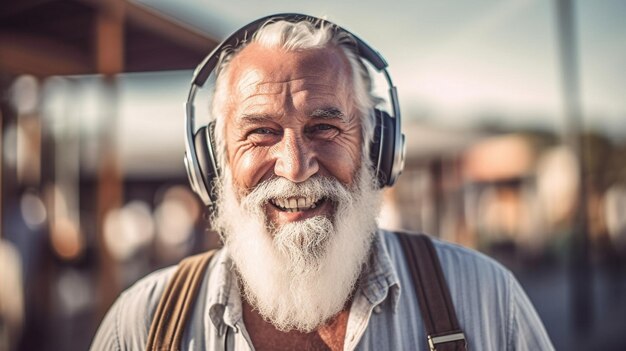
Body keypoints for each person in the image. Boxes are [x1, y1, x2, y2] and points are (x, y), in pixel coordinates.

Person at [91, 14, 554, 351]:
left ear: (377, 150)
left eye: (325, 128)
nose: (295, 166)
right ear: (213, 163)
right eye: (261, 133)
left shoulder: (488, 301)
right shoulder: (143, 325)